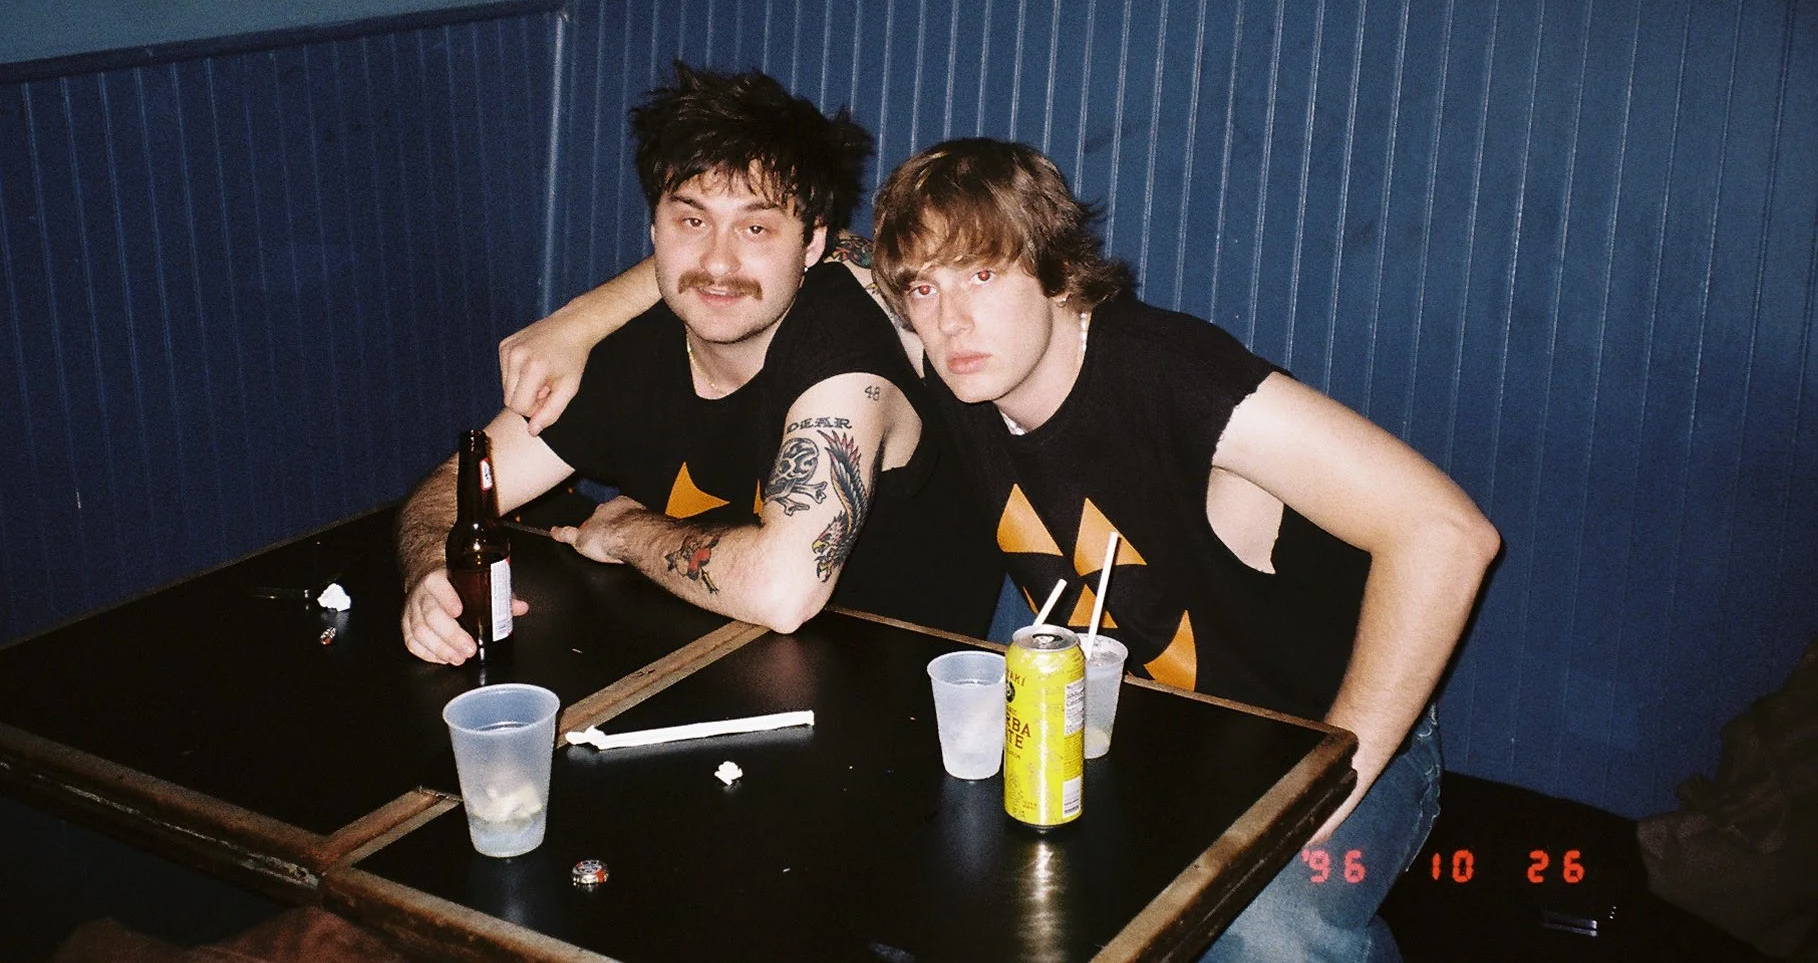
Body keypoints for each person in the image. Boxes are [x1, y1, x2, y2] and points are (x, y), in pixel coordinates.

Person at [497, 136, 1501, 961]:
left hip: (1339, 736)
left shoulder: (1170, 375)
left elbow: (1447, 531)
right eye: (925, 288)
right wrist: (580, 320)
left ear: (1059, 271)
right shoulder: (957, 370)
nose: (952, 318)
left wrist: (1331, 782)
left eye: (984, 273)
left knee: (1272, 929)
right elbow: (756, 254)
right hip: (1158, 733)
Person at [396, 65, 1000, 665]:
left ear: (813, 243)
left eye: (756, 228)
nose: (717, 262)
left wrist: (628, 532)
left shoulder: (845, 351)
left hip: (901, 693)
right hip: (712, 669)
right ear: (654, 229)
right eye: (692, 220)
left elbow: (783, 591)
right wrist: (431, 569)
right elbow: (454, 489)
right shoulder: (631, 345)